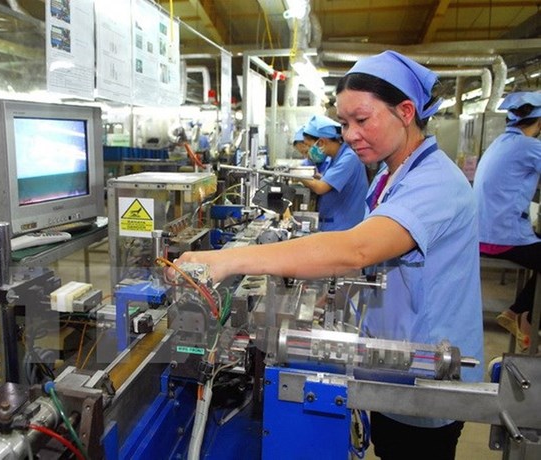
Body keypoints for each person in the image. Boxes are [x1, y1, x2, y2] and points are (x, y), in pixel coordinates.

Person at [176, 50, 484, 459]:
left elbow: (358, 248)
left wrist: (229, 260)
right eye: (344, 123)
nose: (351, 133)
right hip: (396, 362)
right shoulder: (397, 173)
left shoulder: (436, 183)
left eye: (362, 119)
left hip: (427, 370)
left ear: (406, 111)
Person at [473, 92, 541, 351]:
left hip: (482, 233)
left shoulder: (500, 142)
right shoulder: (529, 146)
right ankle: (521, 314)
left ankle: (519, 314)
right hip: (502, 237)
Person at [299, 114, 368, 231]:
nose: (309, 150)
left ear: (321, 142)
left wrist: (298, 175)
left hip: (344, 227)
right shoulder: (334, 157)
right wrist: (319, 177)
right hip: (332, 224)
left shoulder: (349, 157)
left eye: (309, 146)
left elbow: (321, 188)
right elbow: (331, 181)